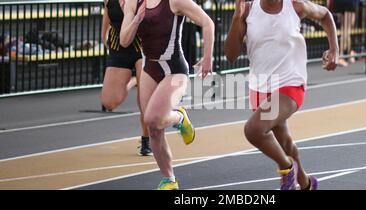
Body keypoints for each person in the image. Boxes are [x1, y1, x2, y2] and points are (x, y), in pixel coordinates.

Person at [225, 0, 338, 190]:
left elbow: (325, 14)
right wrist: (237, 17)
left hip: (290, 84)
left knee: (253, 130)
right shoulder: (248, 10)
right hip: (260, 87)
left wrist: (334, 48)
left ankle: (286, 168)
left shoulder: (295, 6)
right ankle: (307, 183)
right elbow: (230, 55)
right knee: (284, 142)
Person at [120, 0, 214, 190]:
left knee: (153, 118)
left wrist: (207, 57)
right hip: (150, 68)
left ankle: (179, 116)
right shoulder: (133, 2)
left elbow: (207, 23)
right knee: (153, 129)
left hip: (174, 70)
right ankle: (169, 179)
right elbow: (124, 40)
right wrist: (137, 19)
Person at [101, 0, 152, 156]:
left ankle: (146, 140)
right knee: (109, 102)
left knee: (144, 99)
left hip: (142, 46)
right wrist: (104, 36)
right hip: (119, 47)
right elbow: (107, 14)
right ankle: (134, 80)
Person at [329, 0, 359, 66]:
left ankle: (349, 52)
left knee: (344, 29)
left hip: (340, 2)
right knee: (346, 30)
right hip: (349, 3)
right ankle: (341, 55)